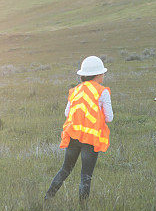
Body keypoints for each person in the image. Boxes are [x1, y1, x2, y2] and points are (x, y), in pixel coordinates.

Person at [45, 55, 113, 202]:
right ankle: (82, 209)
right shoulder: (103, 92)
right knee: (86, 175)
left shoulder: (75, 91)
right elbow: (109, 118)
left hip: (73, 136)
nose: (103, 75)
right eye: (102, 73)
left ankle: (47, 198)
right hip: (90, 139)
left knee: (65, 169)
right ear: (98, 75)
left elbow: (67, 113)